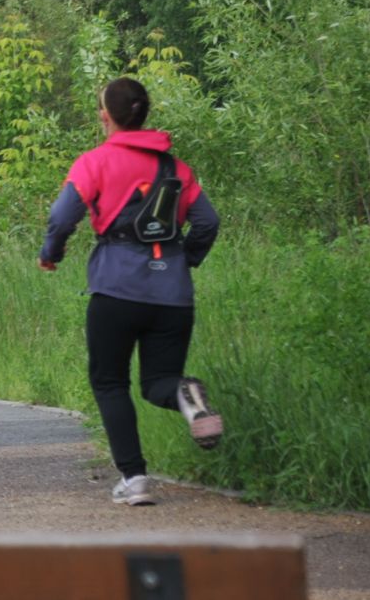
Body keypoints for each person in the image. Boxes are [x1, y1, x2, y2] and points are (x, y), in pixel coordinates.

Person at [40, 77, 224, 507]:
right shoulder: (176, 169)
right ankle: (184, 396)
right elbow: (208, 222)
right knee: (159, 381)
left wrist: (52, 253)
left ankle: (135, 479)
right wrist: (184, 260)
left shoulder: (95, 162)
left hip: (116, 289)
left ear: (106, 116)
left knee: (109, 381)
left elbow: (62, 215)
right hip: (173, 294)